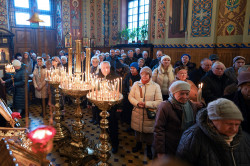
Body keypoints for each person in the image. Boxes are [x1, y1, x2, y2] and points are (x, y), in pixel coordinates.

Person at [176, 98, 250, 166]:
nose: (234, 129)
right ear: (213, 120)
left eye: (237, 124)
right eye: (228, 124)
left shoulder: (245, 138)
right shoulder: (194, 136)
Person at [154, 81, 198, 157]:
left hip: (186, 145)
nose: (185, 97)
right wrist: (160, 151)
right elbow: (159, 130)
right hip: (169, 146)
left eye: (187, 94)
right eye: (181, 93)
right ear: (173, 93)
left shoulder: (191, 106)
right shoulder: (165, 106)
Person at [128, 66, 163, 159]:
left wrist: (146, 104)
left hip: (149, 113)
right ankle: (138, 145)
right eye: (142, 74)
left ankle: (148, 148)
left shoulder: (155, 86)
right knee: (138, 131)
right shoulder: (136, 84)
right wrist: (137, 103)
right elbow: (130, 97)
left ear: (150, 75)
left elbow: (159, 101)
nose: (144, 76)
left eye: (146, 74)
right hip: (137, 112)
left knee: (149, 133)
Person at [97, 61, 121, 154]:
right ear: (100, 69)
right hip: (100, 105)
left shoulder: (116, 77)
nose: (106, 69)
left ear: (110, 67)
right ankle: (105, 141)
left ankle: (115, 144)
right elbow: (94, 91)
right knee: (102, 125)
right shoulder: (98, 77)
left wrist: (119, 106)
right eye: (103, 68)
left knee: (113, 126)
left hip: (112, 106)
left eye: (107, 67)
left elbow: (120, 93)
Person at [122, 62, 141, 132]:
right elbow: (124, 84)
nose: (132, 70)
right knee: (128, 111)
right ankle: (129, 124)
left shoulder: (139, 76)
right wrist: (126, 91)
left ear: (137, 69)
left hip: (136, 97)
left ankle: (134, 127)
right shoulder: (128, 75)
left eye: (134, 68)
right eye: (131, 68)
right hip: (128, 95)